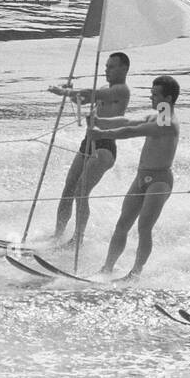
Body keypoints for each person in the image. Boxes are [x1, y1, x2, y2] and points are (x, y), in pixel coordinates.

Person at [89, 75, 182, 280]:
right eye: (152, 93)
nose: (151, 97)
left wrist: (103, 134)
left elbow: (131, 131)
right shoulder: (157, 115)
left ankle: (135, 273)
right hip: (142, 176)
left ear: (167, 98)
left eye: (155, 95)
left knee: (144, 227)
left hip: (160, 180)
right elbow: (128, 120)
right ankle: (107, 268)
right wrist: (101, 121)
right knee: (122, 224)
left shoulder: (166, 122)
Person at [48, 52, 131, 244]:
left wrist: (64, 92)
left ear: (124, 69)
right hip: (87, 143)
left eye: (111, 67)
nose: (106, 70)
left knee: (81, 191)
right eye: (106, 66)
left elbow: (94, 94)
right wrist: (71, 94)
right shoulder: (104, 87)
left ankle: (78, 239)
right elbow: (82, 100)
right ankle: (57, 235)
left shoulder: (121, 91)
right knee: (69, 188)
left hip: (104, 148)